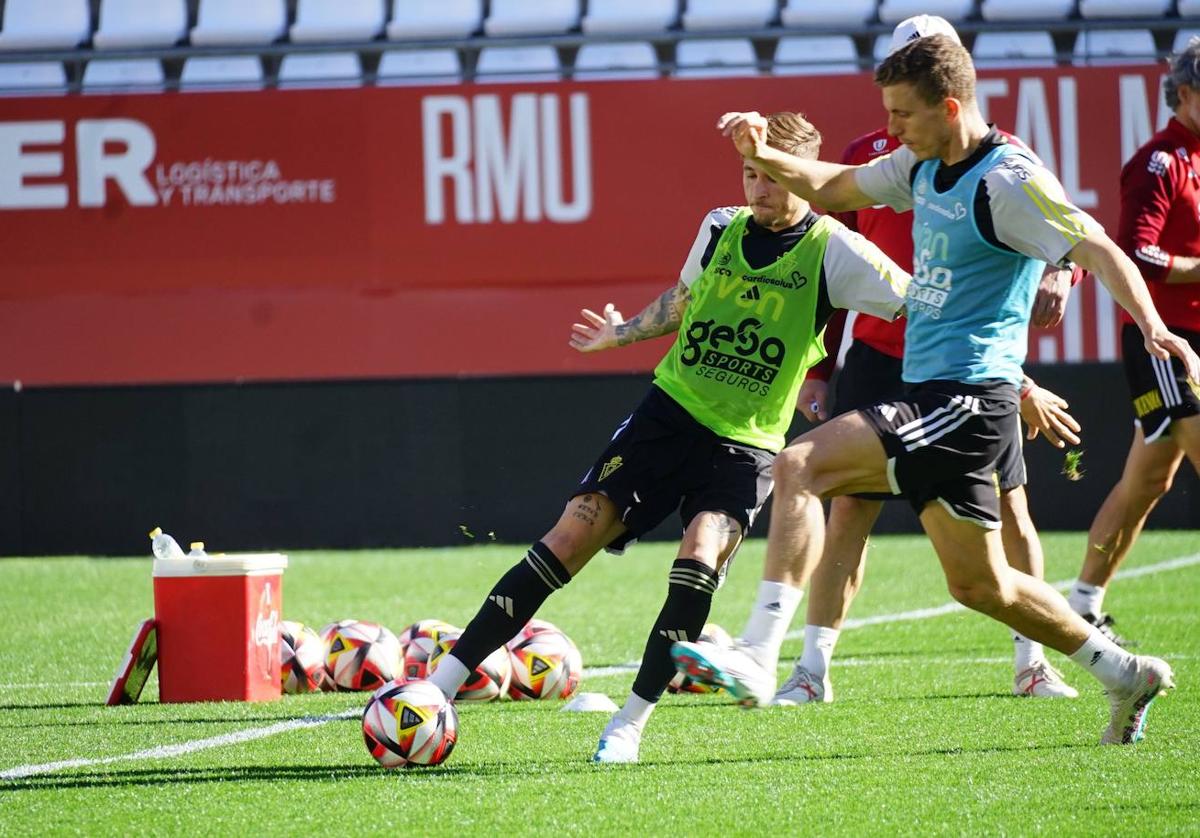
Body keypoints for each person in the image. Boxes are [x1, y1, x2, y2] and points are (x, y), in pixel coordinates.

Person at [673, 34, 1199, 745]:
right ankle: (1125, 673)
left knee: (799, 464)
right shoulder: (923, 164)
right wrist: (761, 153)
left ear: (949, 108)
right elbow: (834, 186)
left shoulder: (1006, 179)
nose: (889, 129)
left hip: (966, 399)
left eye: (902, 116)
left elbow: (1097, 246)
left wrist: (1152, 326)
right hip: (937, 394)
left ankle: (762, 655)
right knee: (979, 585)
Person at [424, 112, 910, 764]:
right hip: (668, 414)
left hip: (745, 441)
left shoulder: (834, 250)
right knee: (572, 534)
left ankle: (629, 723)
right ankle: (439, 686)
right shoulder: (719, 228)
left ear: (807, 178)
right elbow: (684, 302)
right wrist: (622, 333)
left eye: (772, 177)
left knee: (701, 549)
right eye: (749, 173)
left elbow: (916, 300)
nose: (757, 189)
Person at [745, 15, 1083, 706]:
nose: (898, 117)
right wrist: (817, 370)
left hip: (964, 367)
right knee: (848, 516)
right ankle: (811, 671)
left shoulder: (1003, 158)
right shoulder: (879, 152)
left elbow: (1069, 236)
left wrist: (1062, 277)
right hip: (877, 355)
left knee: (1011, 514)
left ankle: (1034, 661)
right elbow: (832, 264)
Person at [1067, 38, 1200, 643]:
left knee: (1149, 481)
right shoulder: (1158, 161)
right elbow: (1134, 253)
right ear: (1187, 92)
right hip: (1165, 340)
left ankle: (1083, 602)